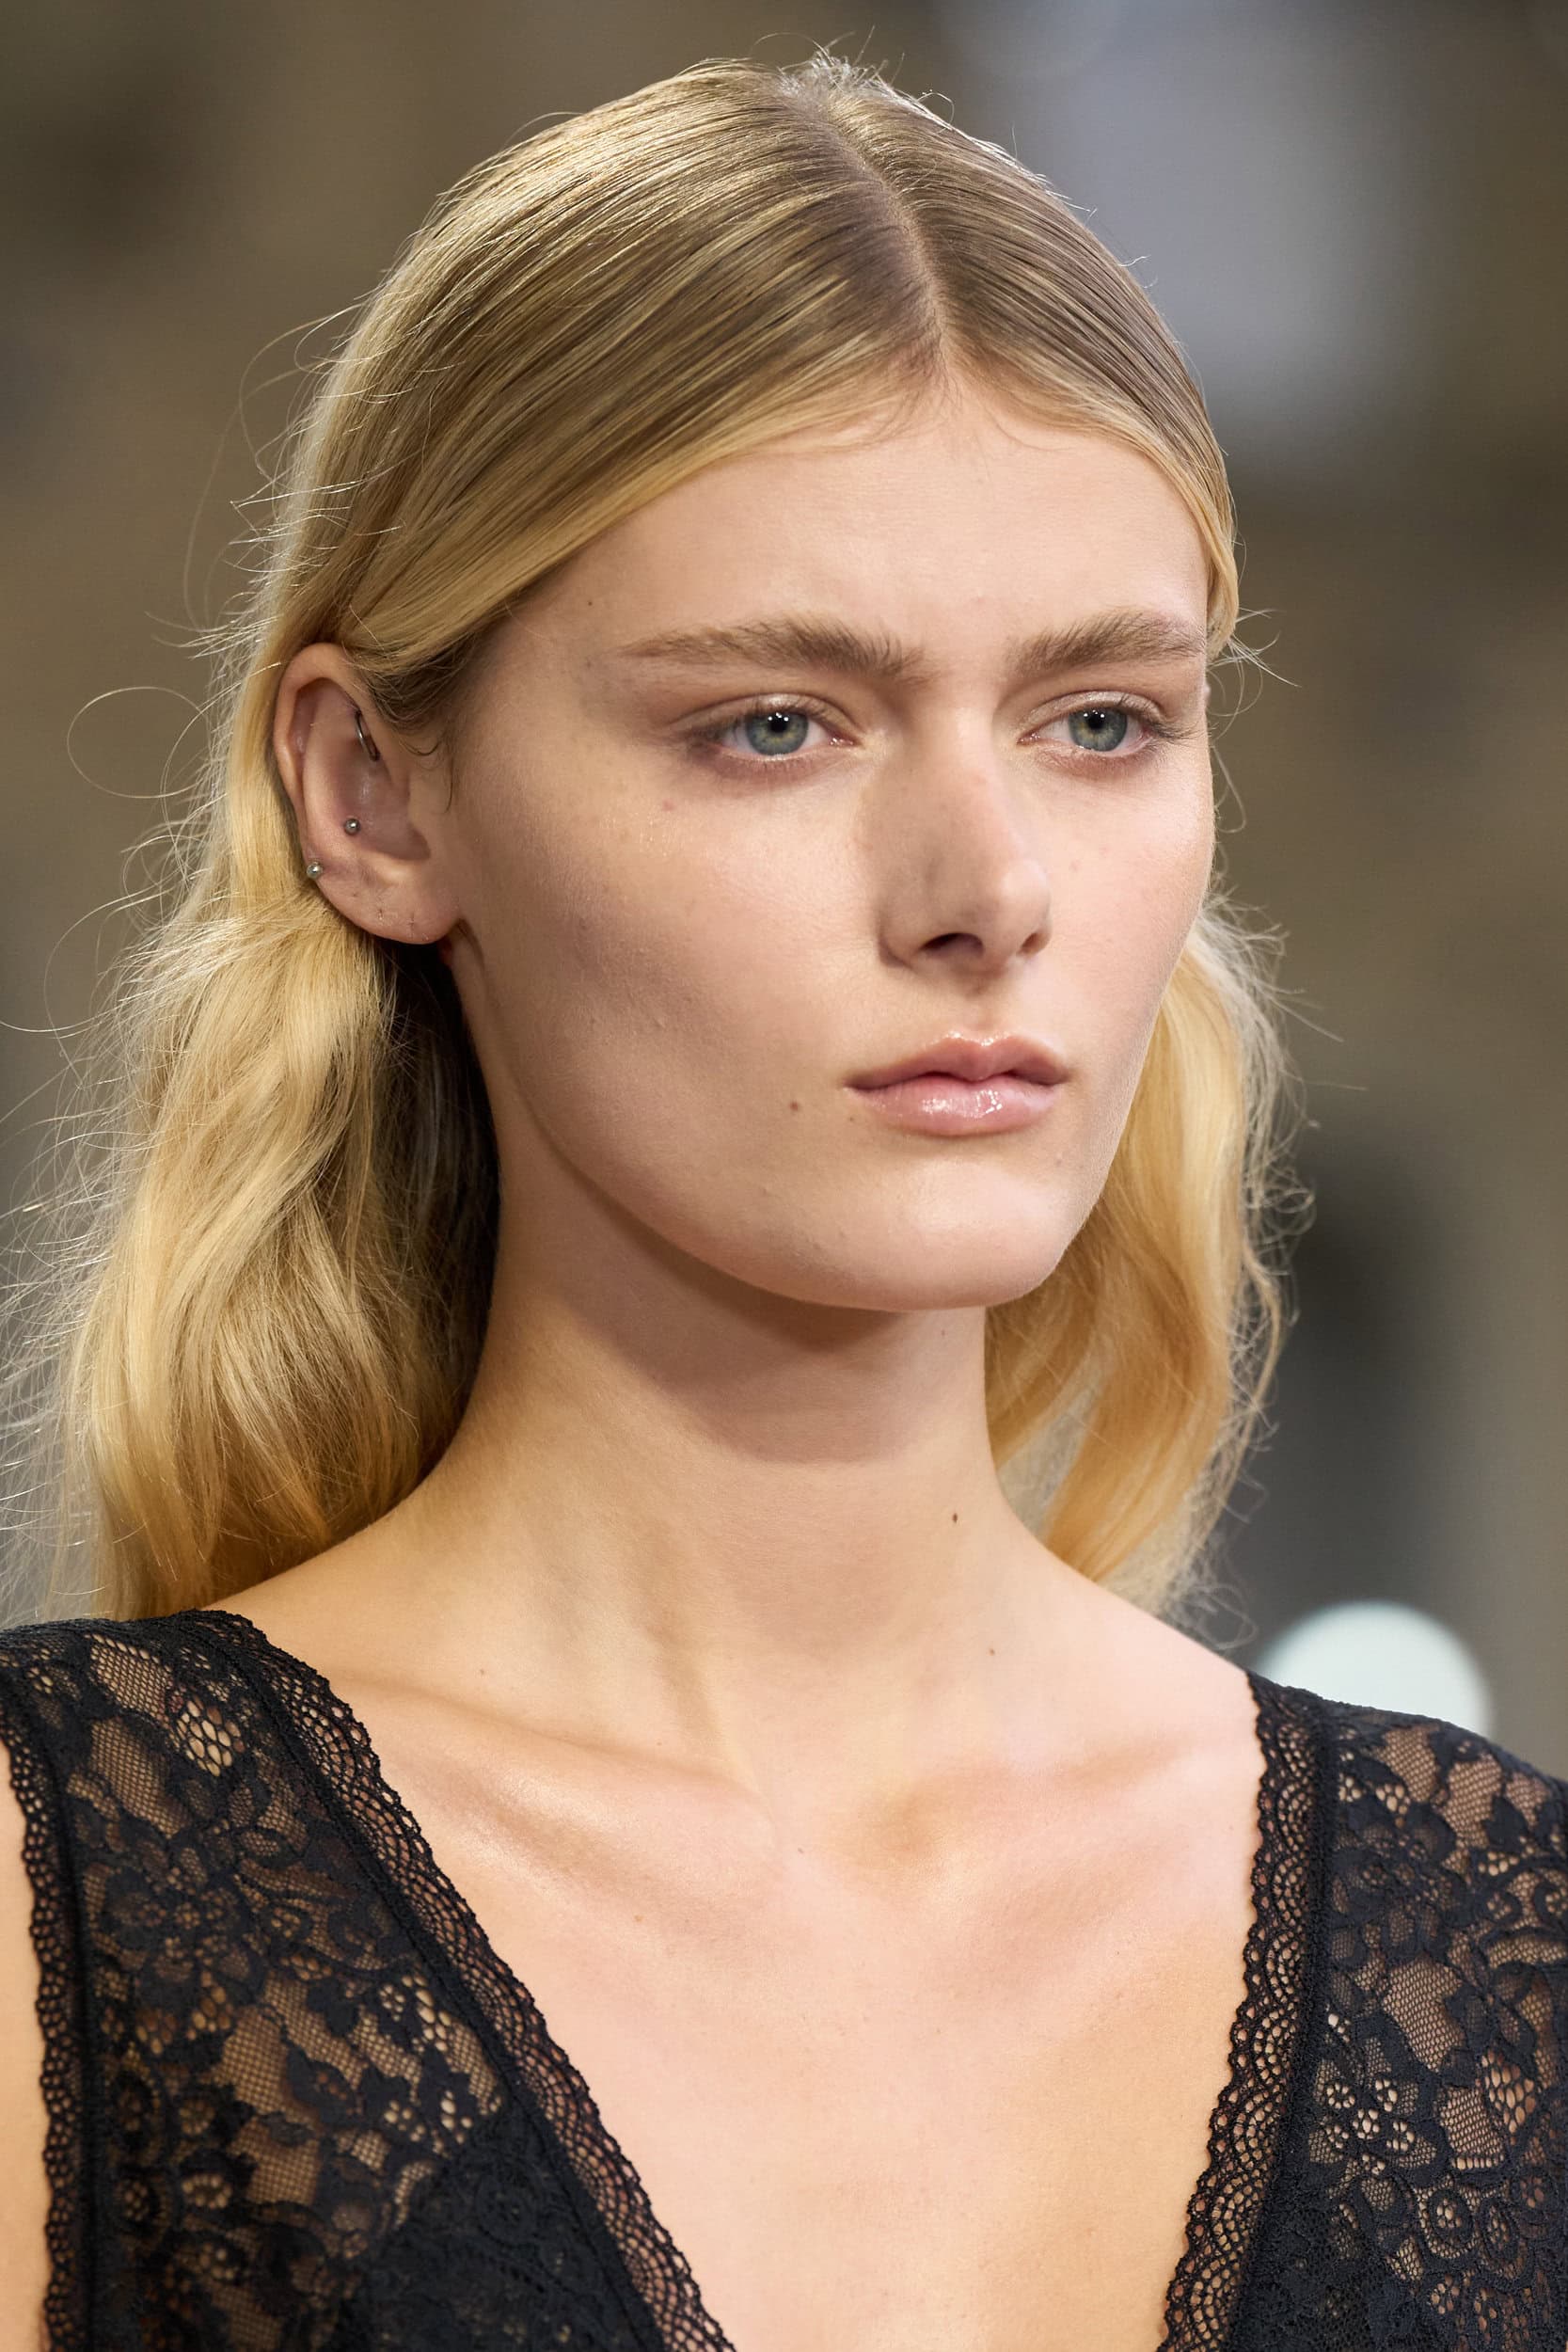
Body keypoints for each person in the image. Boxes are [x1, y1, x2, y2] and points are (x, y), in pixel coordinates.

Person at [0, 51, 1561, 2352]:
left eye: (1103, 719)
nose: (988, 889)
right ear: (375, 793)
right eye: (776, 724)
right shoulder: (55, 1910)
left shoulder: (1508, 1941)